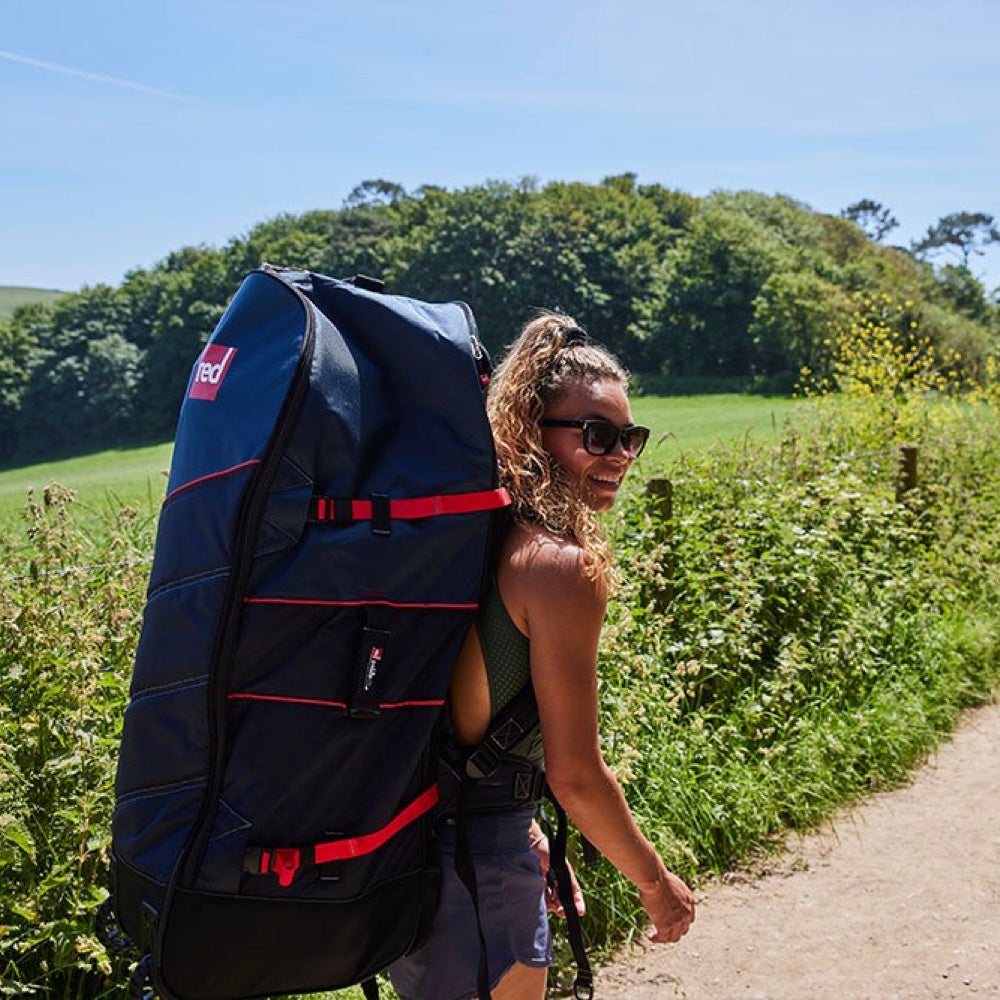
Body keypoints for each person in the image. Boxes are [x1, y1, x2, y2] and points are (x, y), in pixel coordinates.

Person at [389, 313, 695, 1000]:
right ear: (532, 433)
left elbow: (462, 712)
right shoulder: (558, 567)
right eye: (596, 435)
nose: (619, 455)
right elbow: (578, 775)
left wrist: (521, 824)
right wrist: (656, 884)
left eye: (629, 438)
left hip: (417, 855)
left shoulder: (478, 537)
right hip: (480, 868)